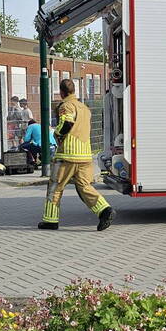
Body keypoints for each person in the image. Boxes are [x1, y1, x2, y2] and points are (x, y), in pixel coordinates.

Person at [39, 78, 114, 231]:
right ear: (74, 91)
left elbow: (67, 123)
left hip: (67, 155)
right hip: (85, 155)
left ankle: (50, 220)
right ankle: (105, 210)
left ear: (61, 92)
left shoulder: (66, 105)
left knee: (55, 186)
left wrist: (56, 134)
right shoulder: (85, 108)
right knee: (84, 187)